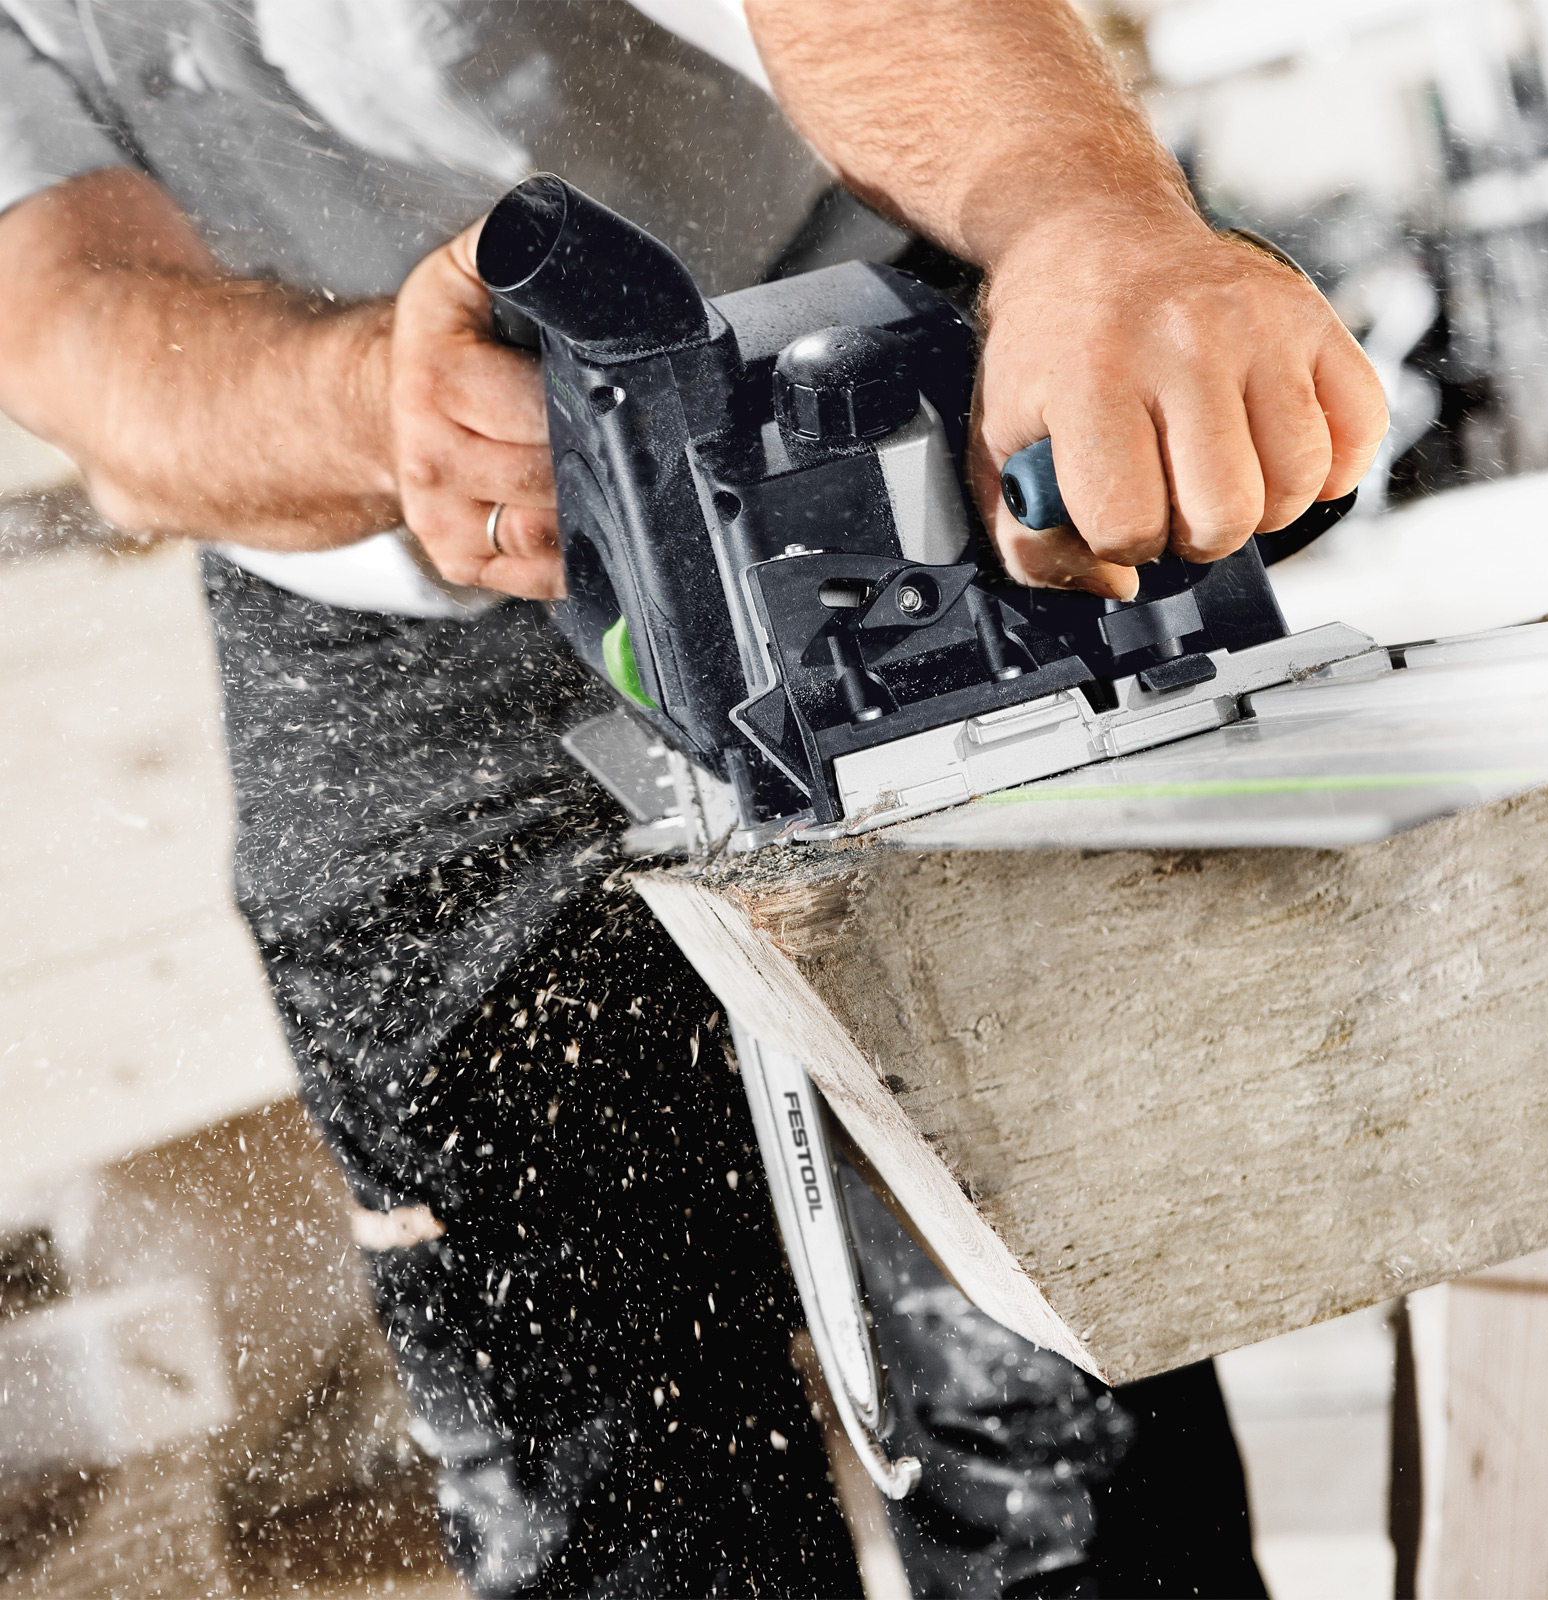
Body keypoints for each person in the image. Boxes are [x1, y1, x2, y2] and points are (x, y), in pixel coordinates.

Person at [0, 2, 1388, 1595]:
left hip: (845, 413)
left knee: (1049, 1413)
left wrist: (1074, 208)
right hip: (378, 577)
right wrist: (376, 405)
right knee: (590, 1471)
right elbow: (59, 312)